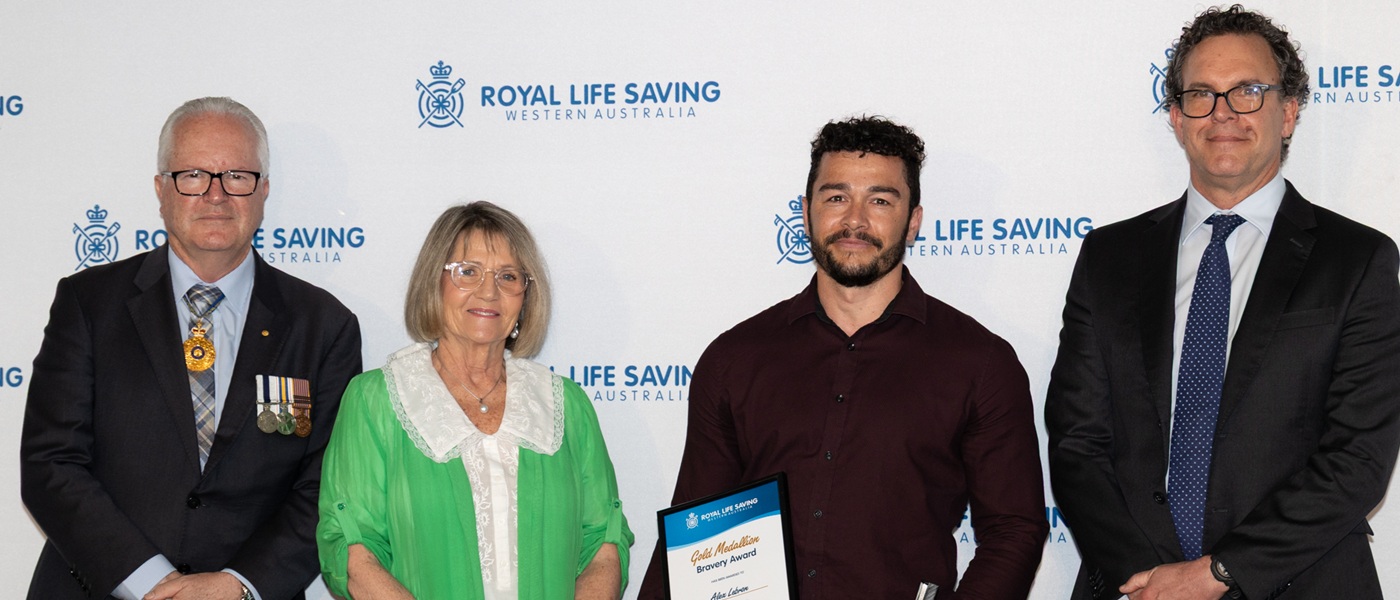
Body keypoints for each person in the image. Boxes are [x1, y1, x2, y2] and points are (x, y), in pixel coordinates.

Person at [1046, 5, 1400, 599]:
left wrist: (1218, 574)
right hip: (1135, 588)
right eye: (1201, 95)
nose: (1223, 114)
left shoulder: (1357, 260)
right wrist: (1151, 581)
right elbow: (1077, 442)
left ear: (1288, 113)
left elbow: (1358, 458)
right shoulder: (1109, 257)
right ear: (1177, 120)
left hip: (1300, 585)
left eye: (1248, 92)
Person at [637, 116, 1048, 599]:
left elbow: (1013, 531)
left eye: (879, 200)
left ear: (913, 219)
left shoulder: (979, 364)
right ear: (807, 211)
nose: (854, 220)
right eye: (836, 197)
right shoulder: (735, 359)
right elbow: (695, 535)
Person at [20, 96, 363, 600]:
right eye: (193, 175)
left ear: (263, 190)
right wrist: (152, 583)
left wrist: (237, 585)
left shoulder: (324, 327)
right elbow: (52, 464)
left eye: (237, 176)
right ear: (161, 190)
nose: (216, 195)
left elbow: (326, 491)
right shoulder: (89, 304)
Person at [317, 201, 633, 599]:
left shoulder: (566, 404)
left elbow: (604, 543)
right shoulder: (375, 401)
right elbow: (353, 549)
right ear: (435, 283)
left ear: (525, 297)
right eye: (467, 272)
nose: (489, 291)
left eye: (508, 276)